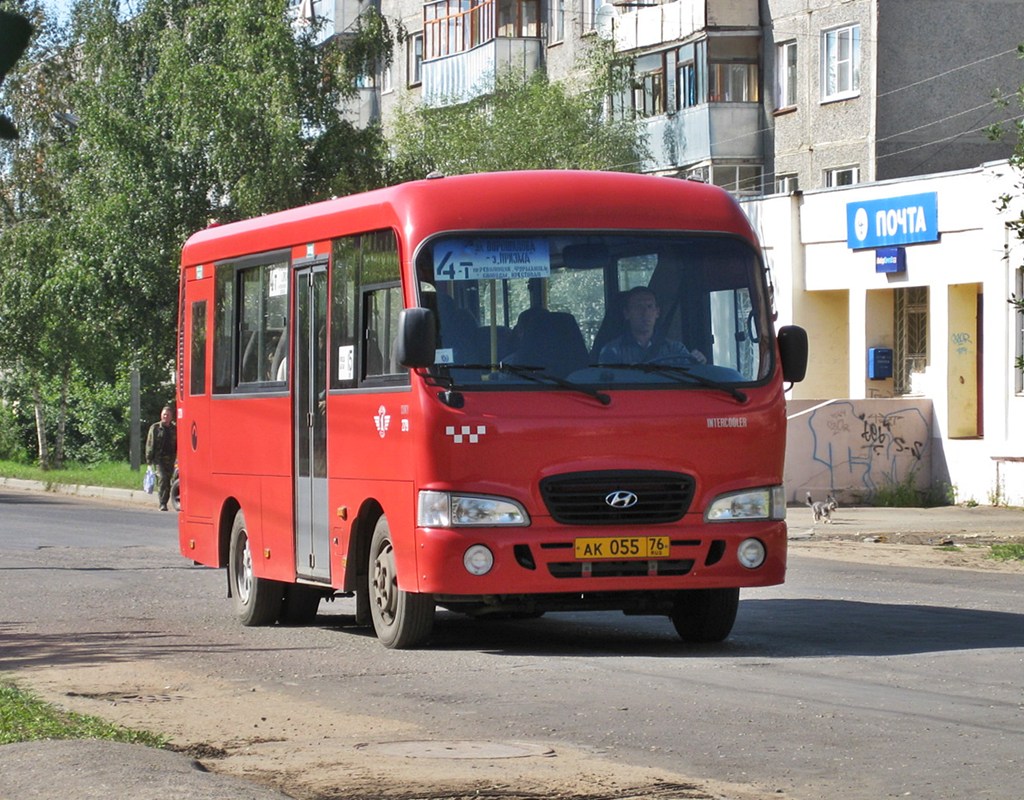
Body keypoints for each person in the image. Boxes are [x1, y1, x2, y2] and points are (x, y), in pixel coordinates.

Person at [599, 286, 706, 365]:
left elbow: (691, 380)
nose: (645, 312)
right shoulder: (612, 351)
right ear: (627, 313)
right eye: (638, 307)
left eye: (649, 306)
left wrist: (699, 363)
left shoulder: (676, 350)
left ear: (657, 312)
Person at [145, 405, 177, 511]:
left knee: (169, 480)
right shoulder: (155, 428)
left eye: (168, 415)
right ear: (161, 415)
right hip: (159, 460)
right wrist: (149, 461)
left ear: (171, 416)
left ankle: (166, 501)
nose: (165, 417)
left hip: (171, 459)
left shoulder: (174, 429)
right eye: (164, 414)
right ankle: (162, 503)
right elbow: (150, 444)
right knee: (162, 478)